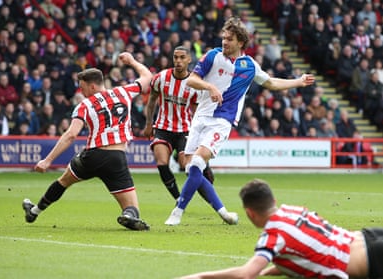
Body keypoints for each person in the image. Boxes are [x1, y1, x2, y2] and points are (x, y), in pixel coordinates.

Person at [164, 17, 315, 226]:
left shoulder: (250, 66)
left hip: (222, 120)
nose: (224, 42)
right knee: (191, 169)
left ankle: (177, 211)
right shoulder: (213, 56)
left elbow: (271, 82)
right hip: (200, 117)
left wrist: (298, 81)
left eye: (229, 39)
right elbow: (191, 79)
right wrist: (210, 87)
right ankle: (224, 212)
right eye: (224, 38)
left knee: (198, 162)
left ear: (240, 42)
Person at [22, 52, 152, 231]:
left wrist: (48, 160)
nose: (80, 91)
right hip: (116, 157)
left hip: (91, 156)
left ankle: (34, 211)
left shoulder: (85, 105)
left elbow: (71, 134)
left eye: (82, 87)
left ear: (92, 86)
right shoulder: (124, 92)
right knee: (132, 209)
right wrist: (131, 61)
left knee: (63, 182)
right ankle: (128, 216)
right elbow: (147, 77)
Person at [179, 178, 379, 279]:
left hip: (373, 259)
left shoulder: (273, 236)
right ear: (273, 200)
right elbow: (303, 252)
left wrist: (201, 276)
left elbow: (245, 274)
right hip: (368, 236)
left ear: (250, 213)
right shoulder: (293, 210)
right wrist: (268, 272)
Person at [143, 46, 214, 201]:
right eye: (175, 57)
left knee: (186, 166)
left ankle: (205, 170)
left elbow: (197, 111)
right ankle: (178, 198)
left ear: (189, 60)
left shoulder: (194, 84)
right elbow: (152, 101)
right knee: (161, 162)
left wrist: (201, 132)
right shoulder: (161, 78)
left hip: (185, 129)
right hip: (163, 127)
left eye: (182, 57)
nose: (178, 61)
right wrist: (149, 124)